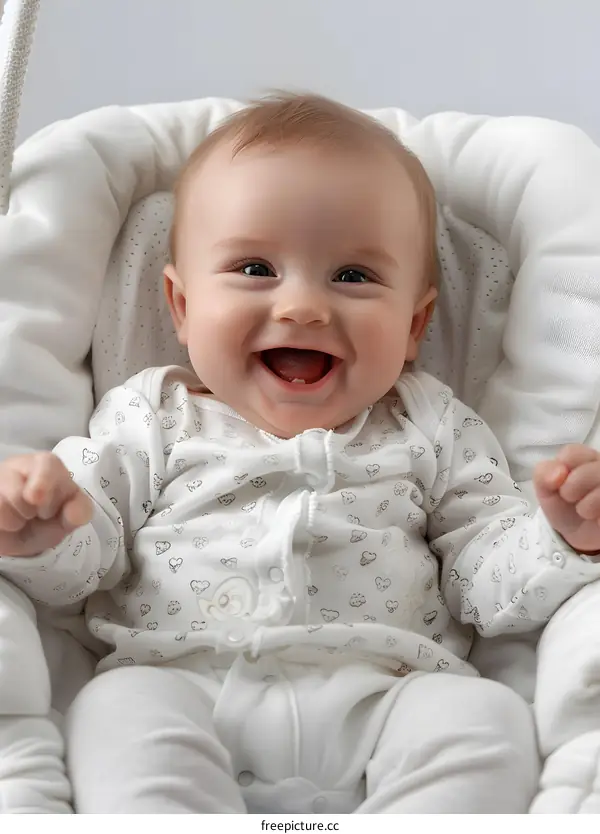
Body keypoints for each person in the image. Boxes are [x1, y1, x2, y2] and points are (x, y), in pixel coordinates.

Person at [0, 93, 599, 814]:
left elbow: (483, 573)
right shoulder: (150, 414)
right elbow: (88, 556)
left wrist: (559, 536)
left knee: (484, 721)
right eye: (255, 268)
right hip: (187, 684)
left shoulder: (431, 423)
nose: (304, 306)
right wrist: (44, 531)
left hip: (385, 696)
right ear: (182, 309)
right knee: (114, 710)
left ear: (415, 326)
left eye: (353, 276)